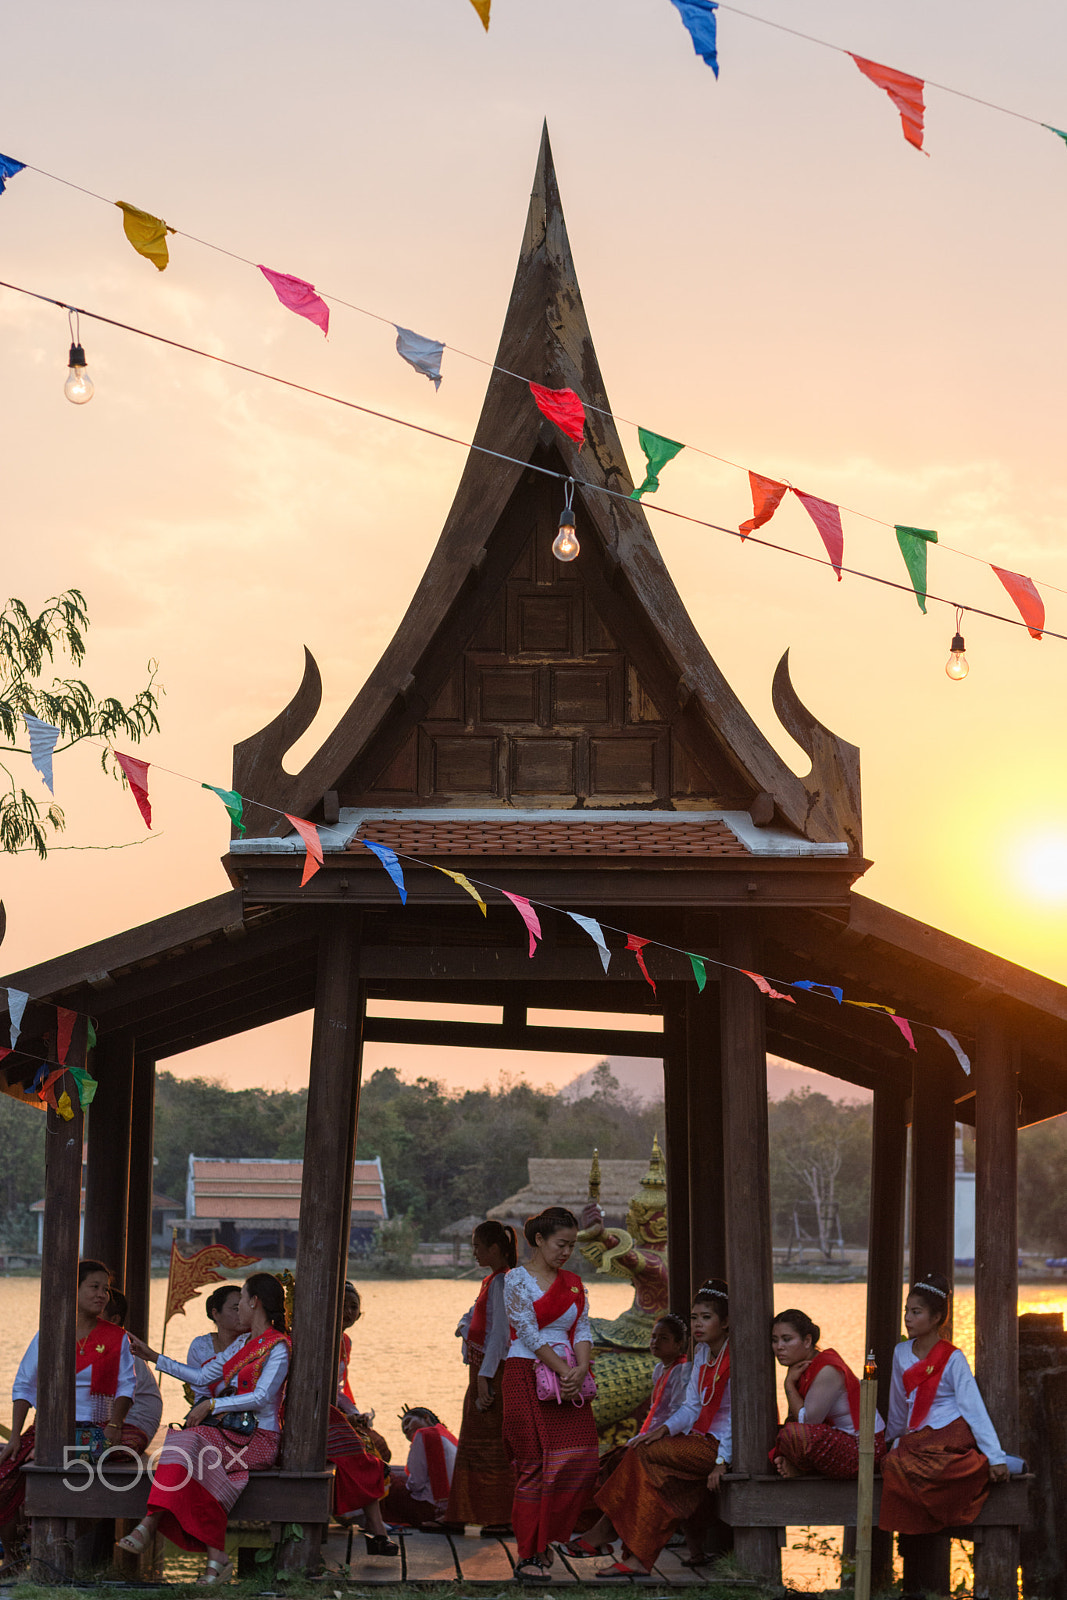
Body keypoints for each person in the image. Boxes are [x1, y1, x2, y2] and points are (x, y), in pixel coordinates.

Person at [118, 1272, 290, 1584]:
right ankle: (215, 1559)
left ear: (255, 1302)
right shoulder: (243, 1343)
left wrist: (213, 1405)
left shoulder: (278, 1347)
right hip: (230, 1437)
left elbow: (263, 1396)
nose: (238, 1308)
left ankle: (152, 1522)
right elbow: (201, 1377)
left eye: (241, 1301)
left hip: (259, 1439)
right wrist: (153, 1356)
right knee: (188, 1446)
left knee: (188, 1444)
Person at [592, 1280, 732, 1578]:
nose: (697, 1324)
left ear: (726, 1321)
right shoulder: (704, 1354)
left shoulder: (737, 1357)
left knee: (641, 1458)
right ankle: (634, 1558)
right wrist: (663, 1430)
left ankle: (606, 1532)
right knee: (642, 1458)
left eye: (706, 1317)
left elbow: (738, 1419)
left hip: (718, 1447)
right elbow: (692, 1407)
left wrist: (722, 1462)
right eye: (694, 1318)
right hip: (697, 1441)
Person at [0, 1259, 136, 1550]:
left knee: (47, 1461)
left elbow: (127, 1386)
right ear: (73, 1291)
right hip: (47, 1428)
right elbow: (24, 1384)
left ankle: (38, 1549)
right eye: (94, 1287)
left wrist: (115, 1423)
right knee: (6, 1476)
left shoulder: (116, 1338)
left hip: (97, 1429)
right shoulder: (50, 1334)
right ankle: (12, 1556)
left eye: (106, 1289)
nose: (102, 1294)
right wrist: (14, 1436)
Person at [502, 1206, 599, 1581]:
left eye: (572, 1246)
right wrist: (565, 1371)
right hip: (527, 1372)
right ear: (539, 1240)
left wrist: (580, 1369)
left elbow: (584, 1328)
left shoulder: (574, 1283)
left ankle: (550, 1540)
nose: (566, 1253)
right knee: (534, 1465)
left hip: (570, 1375)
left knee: (580, 1461)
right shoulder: (516, 1280)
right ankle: (529, 1554)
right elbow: (525, 1330)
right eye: (561, 1244)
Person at [879, 1271, 1009, 1537]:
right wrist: (891, 1439)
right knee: (892, 1461)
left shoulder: (953, 1358)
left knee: (933, 1462)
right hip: (918, 1435)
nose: (907, 1318)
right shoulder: (900, 1352)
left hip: (950, 1429)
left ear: (937, 1317)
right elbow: (898, 1403)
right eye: (907, 1311)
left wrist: (995, 1457)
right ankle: (920, 1522)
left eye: (916, 1312)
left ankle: (986, 1465)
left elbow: (973, 1408)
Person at [561, 1311, 691, 1559]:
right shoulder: (659, 1370)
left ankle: (605, 1534)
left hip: (672, 1440)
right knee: (611, 1462)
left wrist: (654, 1437)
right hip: (655, 1438)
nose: (655, 1342)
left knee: (626, 1463)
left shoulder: (684, 1370)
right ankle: (610, 1531)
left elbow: (680, 1414)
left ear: (678, 1344)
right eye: (653, 1337)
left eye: (663, 1338)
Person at [446, 1220, 518, 1533]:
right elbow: (472, 1315)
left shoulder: (503, 1283)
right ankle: (465, 1511)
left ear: (494, 1249)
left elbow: (500, 1335)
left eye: (478, 1246)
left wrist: (485, 1377)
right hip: (482, 1371)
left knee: (490, 1447)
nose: (474, 1252)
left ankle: (498, 1515)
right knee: (475, 1443)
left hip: (492, 1374)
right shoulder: (492, 1281)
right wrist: (464, 1328)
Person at [769, 1308, 886, 1479]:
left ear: (807, 1340)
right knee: (788, 1428)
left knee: (793, 1433)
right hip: (842, 1441)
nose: (779, 1347)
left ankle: (802, 1470)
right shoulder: (806, 1367)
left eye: (787, 1339)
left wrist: (788, 1385)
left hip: (864, 1449)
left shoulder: (827, 1369)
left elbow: (808, 1421)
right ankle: (799, 1468)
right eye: (774, 1340)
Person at [327, 1281, 397, 1556]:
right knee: (364, 1449)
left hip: (336, 1409)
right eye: (343, 1305)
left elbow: (339, 1387)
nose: (348, 1311)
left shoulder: (345, 1341)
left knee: (377, 1444)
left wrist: (355, 1413)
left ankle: (362, 1517)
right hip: (313, 1412)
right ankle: (374, 1527)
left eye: (353, 1307)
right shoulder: (319, 1335)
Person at [102, 1289, 163, 1455]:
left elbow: (125, 1392)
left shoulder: (121, 1344)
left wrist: (114, 1425)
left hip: (132, 1425)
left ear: (114, 1320)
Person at [382, 1407, 459, 1528]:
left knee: (383, 1477)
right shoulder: (449, 1438)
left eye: (408, 1422)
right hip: (451, 1510)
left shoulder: (424, 1434)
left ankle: (373, 1523)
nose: (406, 1429)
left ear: (426, 1418)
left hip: (428, 1509)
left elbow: (416, 1485)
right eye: (403, 1430)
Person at [185, 1285, 243, 1401]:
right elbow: (201, 1395)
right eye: (236, 1309)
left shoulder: (256, 1341)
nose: (242, 1313)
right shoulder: (200, 1347)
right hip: (213, 1413)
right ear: (215, 1314)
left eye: (245, 1307)